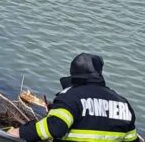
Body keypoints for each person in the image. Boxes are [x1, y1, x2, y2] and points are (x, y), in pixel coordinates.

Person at [9, 53, 137, 142]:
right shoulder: (123, 104)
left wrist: (20, 132)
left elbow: (55, 128)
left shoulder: (70, 97)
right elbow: (132, 139)